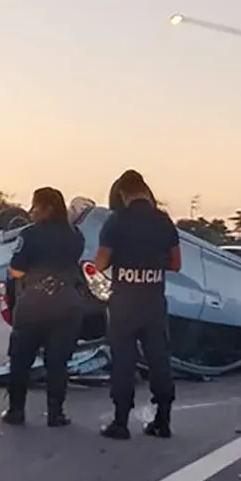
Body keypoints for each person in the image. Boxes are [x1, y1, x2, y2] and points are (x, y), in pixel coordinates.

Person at [94, 171, 179, 440]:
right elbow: (176, 264)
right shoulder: (164, 222)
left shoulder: (115, 222)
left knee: (123, 361)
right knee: (159, 360)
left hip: (124, 304)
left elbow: (100, 264)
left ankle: (120, 423)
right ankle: (163, 420)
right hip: (153, 302)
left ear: (122, 194)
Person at [0, 187, 85, 427]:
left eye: (35, 207)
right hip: (67, 303)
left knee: (21, 358)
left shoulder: (30, 234)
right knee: (58, 361)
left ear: (47, 209)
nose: (31, 212)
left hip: (34, 303)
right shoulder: (75, 235)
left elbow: (16, 270)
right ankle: (56, 414)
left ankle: (16, 411)